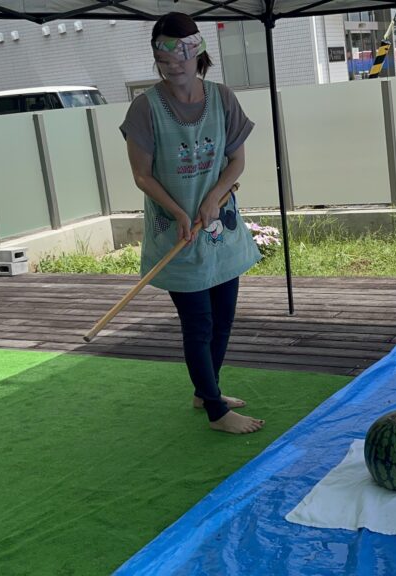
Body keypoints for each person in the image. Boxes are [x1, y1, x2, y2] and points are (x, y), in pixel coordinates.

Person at [120, 12, 265, 434]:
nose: (173, 65)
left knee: (222, 319)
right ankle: (217, 412)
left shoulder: (223, 98)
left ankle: (207, 391)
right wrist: (179, 211)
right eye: (163, 58)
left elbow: (236, 161)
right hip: (177, 234)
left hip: (220, 231)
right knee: (198, 323)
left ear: (197, 53)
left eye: (180, 55)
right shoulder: (145, 108)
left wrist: (215, 197)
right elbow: (142, 175)